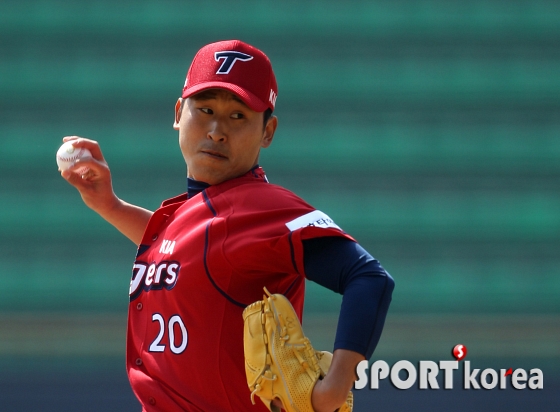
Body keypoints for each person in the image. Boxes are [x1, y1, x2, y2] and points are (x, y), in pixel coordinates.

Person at [60, 39, 394, 412]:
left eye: (238, 116)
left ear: (268, 132)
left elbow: (368, 277)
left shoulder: (260, 206)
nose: (217, 130)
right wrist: (109, 204)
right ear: (178, 113)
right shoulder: (199, 213)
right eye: (204, 109)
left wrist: (335, 386)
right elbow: (189, 251)